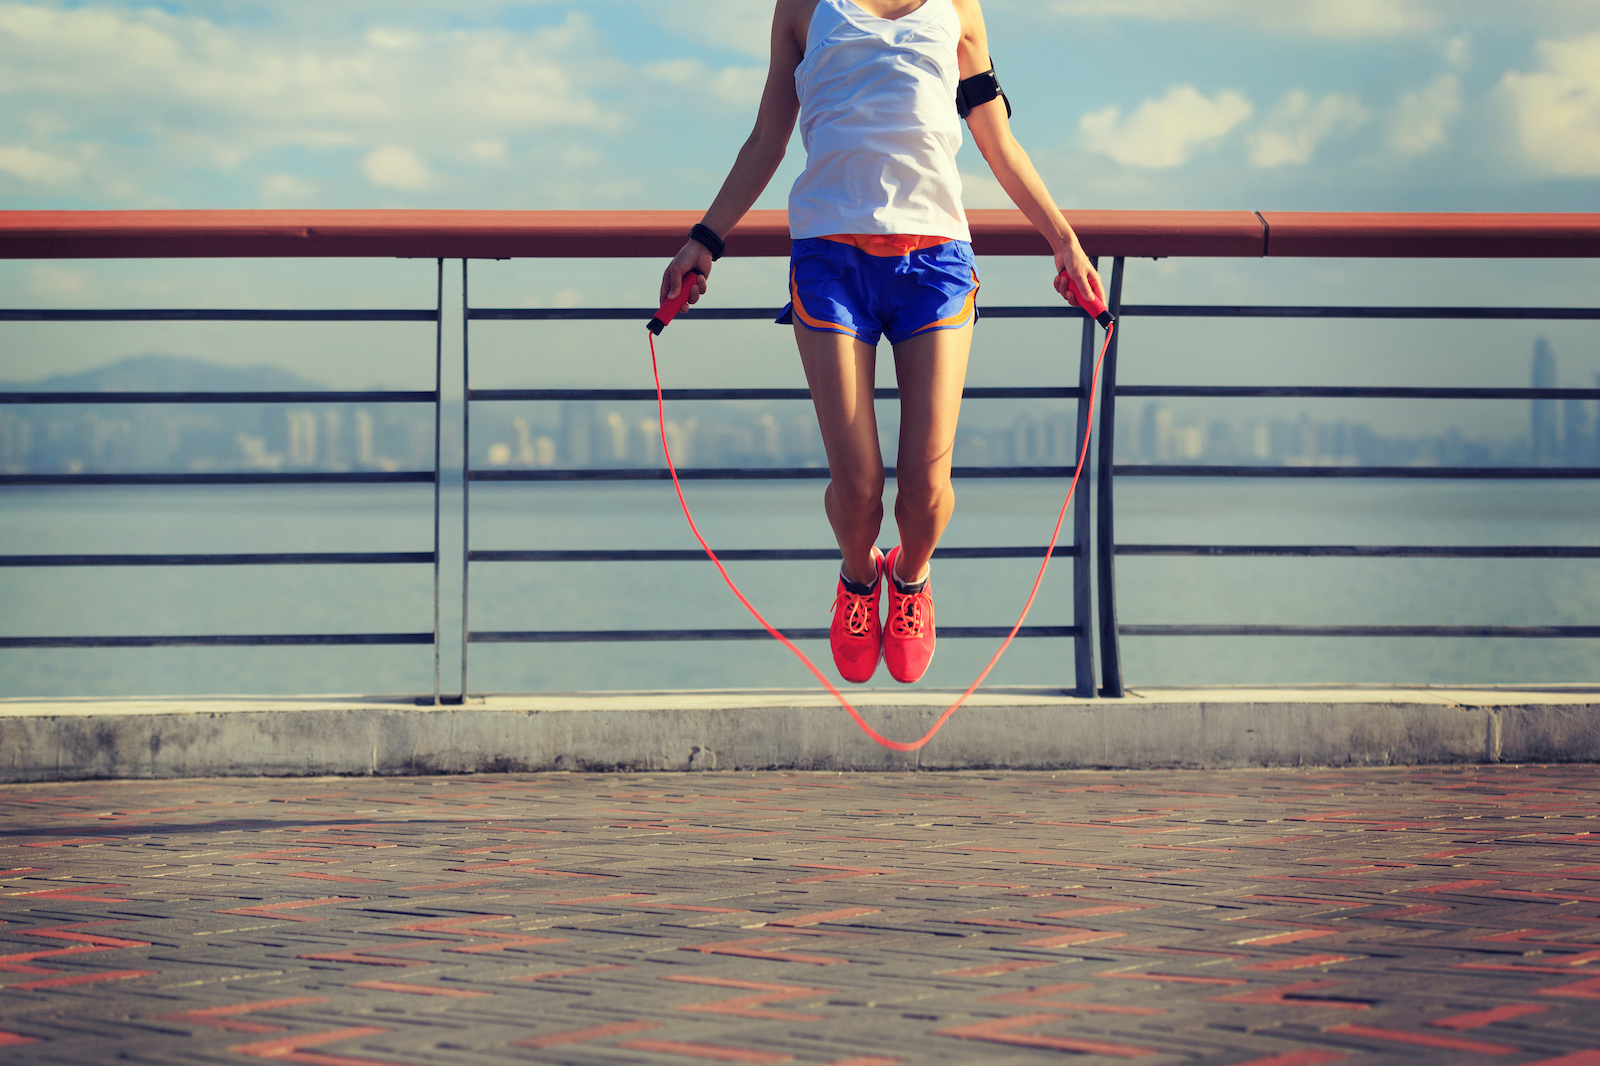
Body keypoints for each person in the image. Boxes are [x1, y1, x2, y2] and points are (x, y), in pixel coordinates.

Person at [660, 0, 1104, 685]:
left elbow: (997, 141)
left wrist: (1066, 243)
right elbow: (766, 141)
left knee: (925, 491)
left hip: (936, 265)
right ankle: (860, 580)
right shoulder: (802, 8)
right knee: (860, 487)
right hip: (831, 262)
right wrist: (706, 239)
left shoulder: (959, 8)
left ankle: (912, 579)